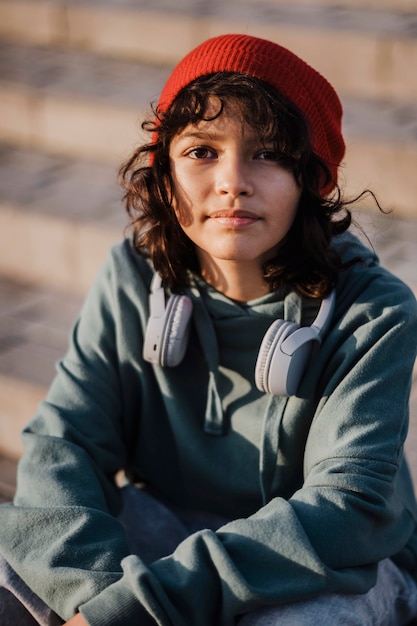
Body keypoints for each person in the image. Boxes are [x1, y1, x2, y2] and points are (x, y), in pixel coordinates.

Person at [1, 33, 417, 626]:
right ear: (163, 171)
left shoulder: (373, 312)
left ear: (311, 181)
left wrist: (138, 609)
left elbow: (347, 510)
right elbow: (64, 444)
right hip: (167, 529)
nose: (232, 182)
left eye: (269, 153)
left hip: (325, 569)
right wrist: (97, 601)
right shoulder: (131, 277)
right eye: (202, 152)